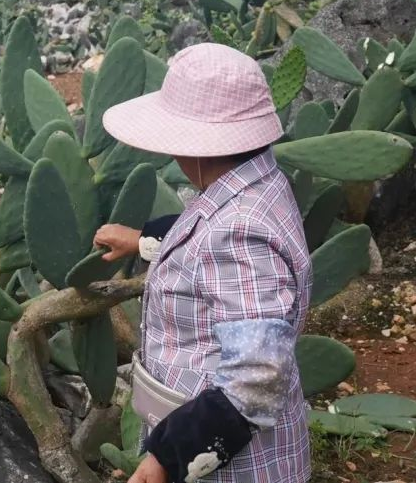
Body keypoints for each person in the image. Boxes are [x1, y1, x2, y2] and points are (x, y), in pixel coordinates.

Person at [94, 43, 311, 483]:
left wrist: (165, 459)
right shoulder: (258, 183)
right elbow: (202, 234)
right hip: (217, 437)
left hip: (233, 465)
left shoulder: (239, 232)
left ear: (194, 144)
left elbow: (255, 378)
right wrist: (142, 240)